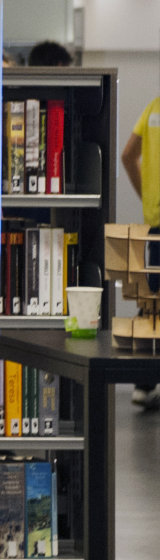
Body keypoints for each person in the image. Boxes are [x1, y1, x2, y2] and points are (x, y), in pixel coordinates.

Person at [123, 91, 160, 408]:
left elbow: (127, 155)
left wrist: (146, 197)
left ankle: (143, 382)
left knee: (154, 300)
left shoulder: (154, 107)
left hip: (156, 219)